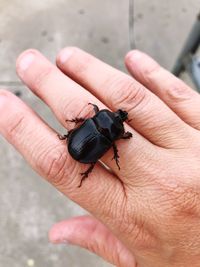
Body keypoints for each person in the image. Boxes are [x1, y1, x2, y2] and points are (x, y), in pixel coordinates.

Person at [1, 47, 200, 267]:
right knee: (95, 157)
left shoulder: (101, 118)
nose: (119, 115)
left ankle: (78, 155)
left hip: (79, 142)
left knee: (92, 148)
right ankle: (83, 164)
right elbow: (116, 141)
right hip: (85, 148)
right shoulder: (114, 133)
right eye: (119, 116)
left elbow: (103, 131)